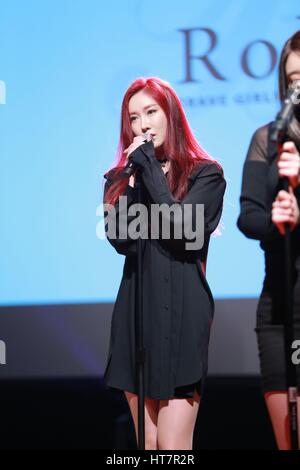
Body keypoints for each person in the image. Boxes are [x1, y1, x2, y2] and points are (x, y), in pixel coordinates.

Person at [102, 77, 226, 450]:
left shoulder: (206, 174)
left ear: (170, 115)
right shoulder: (119, 180)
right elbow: (121, 240)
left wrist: (152, 176)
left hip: (183, 312)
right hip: (136, 313)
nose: (143, 125)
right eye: (134, 117)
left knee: (172, 445)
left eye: (151, 112)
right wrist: (132, 178)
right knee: (149, 443)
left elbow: (184, 232)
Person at [237, 31, 300, 450]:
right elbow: (248, 216)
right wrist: (277, 221)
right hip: (278, 306)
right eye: (293, 77)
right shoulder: (268, 138)